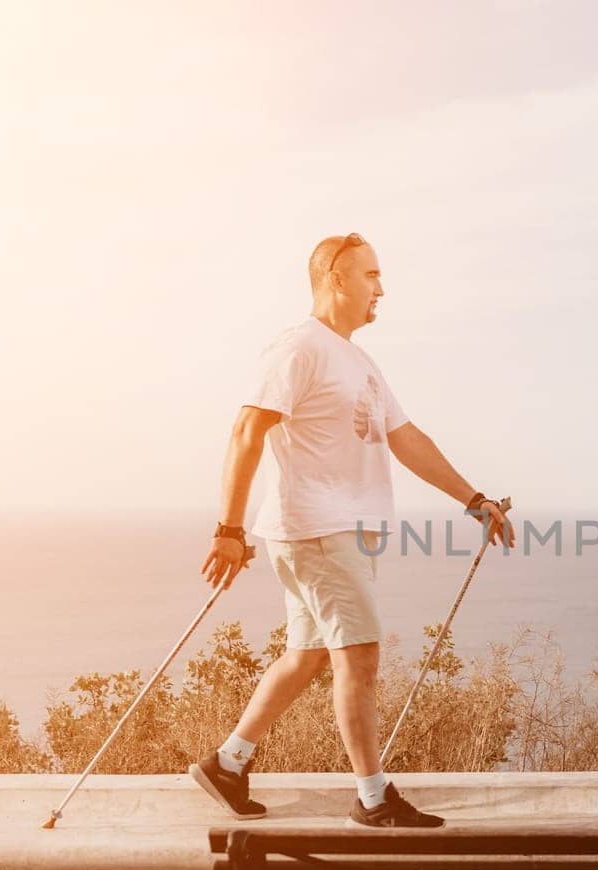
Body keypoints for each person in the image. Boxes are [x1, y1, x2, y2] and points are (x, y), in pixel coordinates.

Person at [189, 232, 513, 828]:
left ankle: (228, 763)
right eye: (371, 276)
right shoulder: (298, 347)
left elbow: (407, 439)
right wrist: (227, 529)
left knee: (307, 655)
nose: (381, 289)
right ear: (336, 278)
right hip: (317, 527)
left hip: (343, 534)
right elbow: (246, 431)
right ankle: (372, 797)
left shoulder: (360, 361)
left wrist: (473, 499)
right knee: (359, 659)